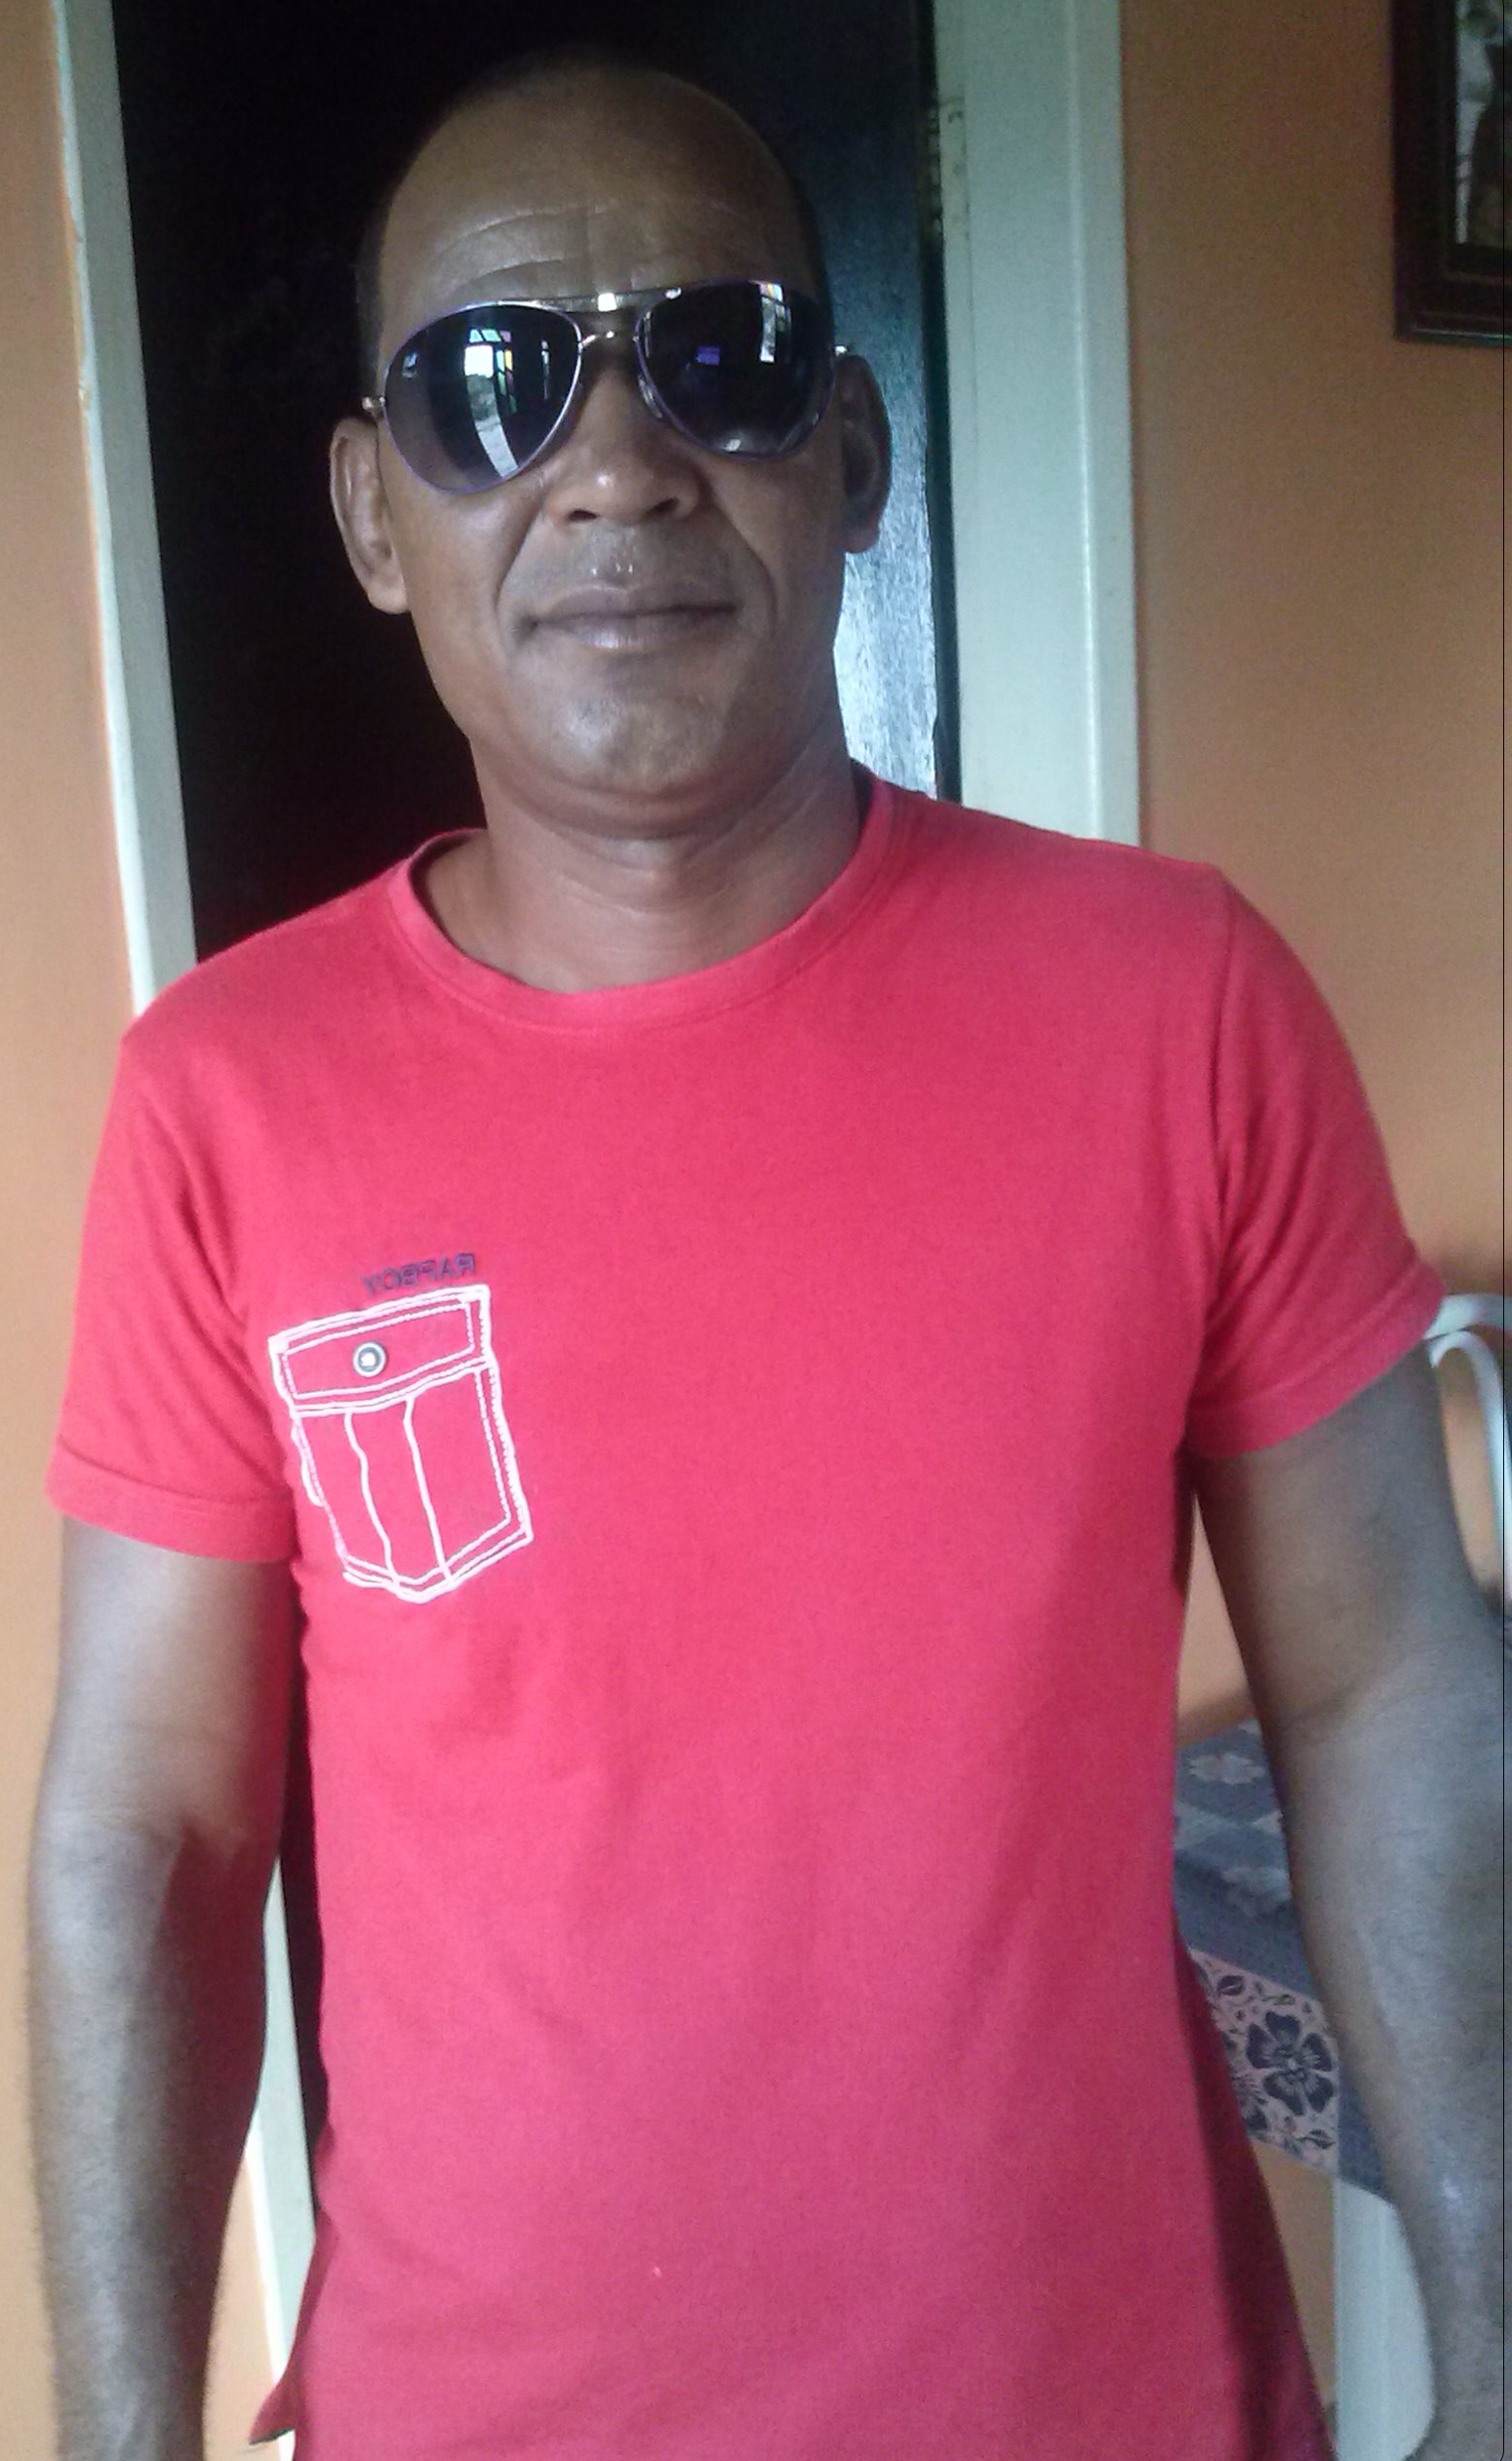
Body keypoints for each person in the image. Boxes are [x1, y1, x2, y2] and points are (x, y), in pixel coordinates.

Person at [28, 48, 1501, 2461]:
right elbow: (148, 1824)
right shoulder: (227, 1097)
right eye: (492, 383)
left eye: (717, 356)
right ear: (375, 513)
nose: (616, 462)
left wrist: (1497, 2355)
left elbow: (1385, 1688)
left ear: (851, 453)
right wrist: (117, 2432)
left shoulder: (1174, 1003)